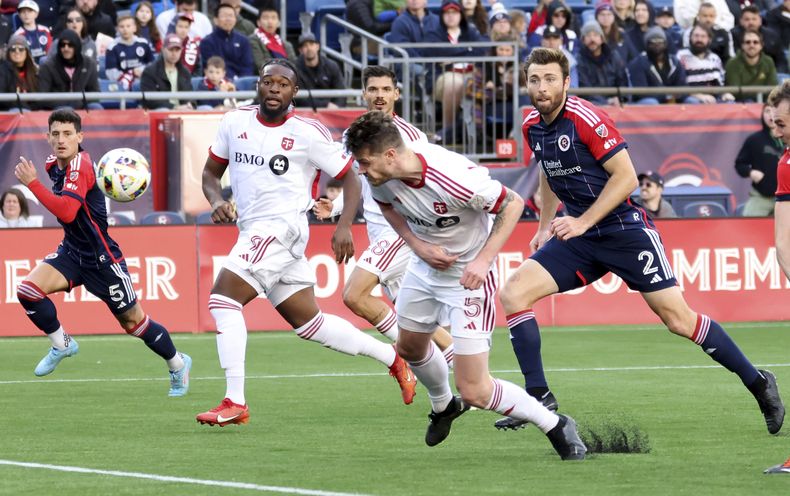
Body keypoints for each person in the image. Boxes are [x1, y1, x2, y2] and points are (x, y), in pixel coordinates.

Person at [492, 47, 784, 436]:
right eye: (534, 80)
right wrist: (545, 226)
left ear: (565, 82)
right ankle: (538, 397)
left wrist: (581, 221)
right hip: (579, 235)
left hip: (624, 231)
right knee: (513, 294)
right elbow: (547, 168)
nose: (541, 87)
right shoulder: (532, 124)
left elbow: (627, 178)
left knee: (678, 320)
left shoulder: (586, 118)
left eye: (549, 79)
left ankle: (759, 382)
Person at [343, 110, 586, 460]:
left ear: (391, 155)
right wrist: (418, 246)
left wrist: (484, 259)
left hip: (468, 279)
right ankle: (444, 407)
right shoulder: (380, 178)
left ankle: (555, 424)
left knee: (475, 390)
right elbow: (388, 207)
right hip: (424, 269)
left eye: (365, 163)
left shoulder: (452, 177)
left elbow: (512, 204)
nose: (361, 171)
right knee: (409, 348)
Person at [196, 59, 417, 427]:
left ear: (293, 92)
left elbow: (349, 177)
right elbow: (209, 174)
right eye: (269, 82)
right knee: (309, 324)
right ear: (259, 84)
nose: (274, 89)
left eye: (283, 84)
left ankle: (235, 401)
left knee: (223, 300)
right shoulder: (234, 122)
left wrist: (344, 225)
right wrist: (217, 201)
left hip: (282, 228)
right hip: (254, 230)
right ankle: (393, 359)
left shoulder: (308, 131)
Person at [12, 109, 192, 394]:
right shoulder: (51, 164)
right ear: (47, 138)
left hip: (102, 259)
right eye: (56, 134)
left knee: (134, 323)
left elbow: (69, 212)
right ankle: (62, 344)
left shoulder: (81, 166)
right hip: (72, 252)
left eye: (68, 134)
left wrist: (32, 184)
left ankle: (178, 364)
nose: (61, 140)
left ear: (80, 137)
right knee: (28, 291)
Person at [313, 65, 456, 367]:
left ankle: (398, 358)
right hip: (379, 232)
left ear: (397, 94)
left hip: (402, 232)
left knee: (354, 295)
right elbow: (357, 180)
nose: (380, 95)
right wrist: (337, 208)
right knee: (414, 322)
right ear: (363, 93)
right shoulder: (355, 134)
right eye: (374, 89)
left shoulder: (411, 137)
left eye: (386, 89)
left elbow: (427, 184)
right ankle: (458, 371)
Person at [734, 104, 783, 217]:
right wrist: (751, 172)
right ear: (762, 115)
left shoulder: (787, 138)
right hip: (762, 196)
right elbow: (739, 164)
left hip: (787, 199)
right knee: (749, 226)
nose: (771, 115)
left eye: (774, 111)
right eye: (767, 111)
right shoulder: (754, 140)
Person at [37, 30, 102, 110]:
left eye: (70, 45)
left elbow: (95, 93)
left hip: (81, 105)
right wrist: (70, 102)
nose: (66, 48)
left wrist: (79, 102)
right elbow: (42, 96)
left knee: (96, 107)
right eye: (62, 45)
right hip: (56, 108)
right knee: (67, 110)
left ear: (77, 46)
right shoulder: (48, 65)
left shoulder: (89, 64)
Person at [676, 24, 734, 103]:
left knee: (730, 102)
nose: (699, 39)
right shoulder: (681, 56)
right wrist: (698, 95)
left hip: (713, 97)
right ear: (690, 38)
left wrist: (725, 93)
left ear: (709, 40)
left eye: (703, 36)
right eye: (696, 36)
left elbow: (720, 82)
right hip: (690, 96)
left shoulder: (715, 58)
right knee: (693, 102)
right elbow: (679, 84)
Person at [576, 20, 627, 106]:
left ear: (602, 39)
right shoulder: (579, 59)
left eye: (595, 35)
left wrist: (620, 98)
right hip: (592, 105)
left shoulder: (614, 56)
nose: (592, 39)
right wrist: (606, 102)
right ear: (583, 40)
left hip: (616, 102)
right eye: (588, 36)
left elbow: (623, 80)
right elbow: (585, 89)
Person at [199, 3, 254, 79]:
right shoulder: (207, 42)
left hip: (241, 84)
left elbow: (247, 66)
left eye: (231, 16)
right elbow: (211, 67)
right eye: (224, 16)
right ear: (215, 20)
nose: (228, 19)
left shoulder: (243, 41)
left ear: (235, 19)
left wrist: (242, 83)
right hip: (217, 82)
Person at [140, 33, 194, 110]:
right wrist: (175, 107)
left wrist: (190, 104)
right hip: (162, 111)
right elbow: (150, 100)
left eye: (177, 50)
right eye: (171, 49)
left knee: (205, 108)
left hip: (183, 110)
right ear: (163, 49)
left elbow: (190, 95)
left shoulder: (185, 72)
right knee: (163, 110)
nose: (174, 53)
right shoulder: (150, 71)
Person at [294, 33, 346, 109]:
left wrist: (337, 107)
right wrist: (325, 105)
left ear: (317, 46)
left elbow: (341, 92)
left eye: (311, 44)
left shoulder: (331, 66)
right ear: (300, 50)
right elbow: (300, 99)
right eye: (305, 46)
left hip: (332, 111)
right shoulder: (295, 68)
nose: (309, 48)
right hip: (305, 112)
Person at [724, 30, 777, 101]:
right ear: (742, 46)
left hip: (764, 103)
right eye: (747, 42)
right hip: (739, 105)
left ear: (761, 46)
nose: (751, 45)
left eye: (755, 42)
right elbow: (735, 91)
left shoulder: (768, 61)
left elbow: (772, 88)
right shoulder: (732, 63)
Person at [105, 14, 155, 90]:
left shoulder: (143, 43)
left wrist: (142, 72)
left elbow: (152, 65)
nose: (125, 29)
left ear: (134, 28)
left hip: (143, 80)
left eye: (128, 26)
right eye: (122, 27)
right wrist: (129, 76)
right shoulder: (112, 47)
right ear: (117, 29)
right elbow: (110, 72)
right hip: (122, 84)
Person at [249, 4, 296, 71]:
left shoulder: (286, 44)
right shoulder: (253, 40)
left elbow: (294, 66)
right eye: (266, 18)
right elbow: (260, 64)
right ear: (258, 22)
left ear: (279, 23)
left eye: (273, 18)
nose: (270, 21)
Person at [0, 35, 39, 112]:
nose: (17, 52)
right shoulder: (2, 70)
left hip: (33, 113)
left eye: (21, 49)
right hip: (10, 113)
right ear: (8, 52)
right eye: (13, 49)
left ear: (27, 52)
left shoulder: (35, 71)